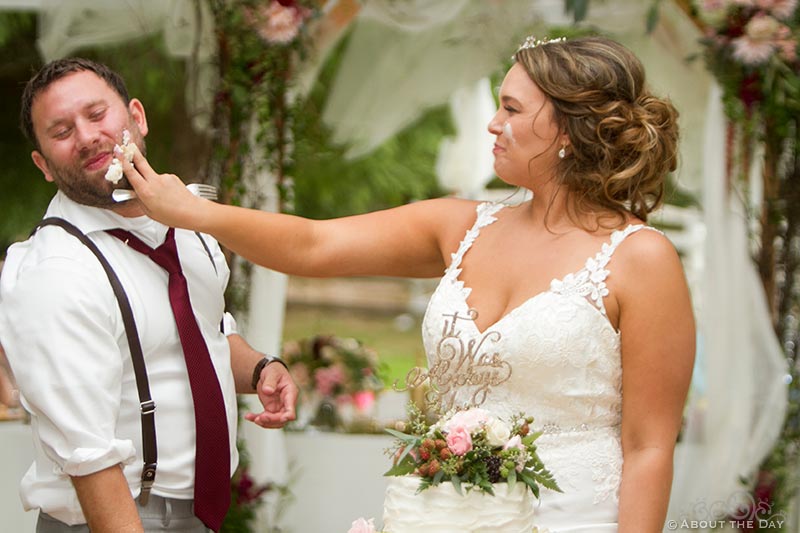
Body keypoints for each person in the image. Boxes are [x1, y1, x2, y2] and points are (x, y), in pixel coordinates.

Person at [123, 35, 696, 532]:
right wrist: (192, 212)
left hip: (576, 520)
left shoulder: (641, 258)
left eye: (511, 108)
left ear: (567, 128)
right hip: (441, 514)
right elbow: (313, 245)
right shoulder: (460, 226)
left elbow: (648, 448)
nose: (494, 123)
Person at [0, 58, 298, 533]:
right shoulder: (55, 271)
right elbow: (89, 458)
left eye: (97, 114)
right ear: (44, 166)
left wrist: (263, 368)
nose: (87, 136)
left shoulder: (189, 224)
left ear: (136, 117)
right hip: (115, 518)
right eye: (61, 131)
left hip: (198, 514)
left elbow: (206, 334)